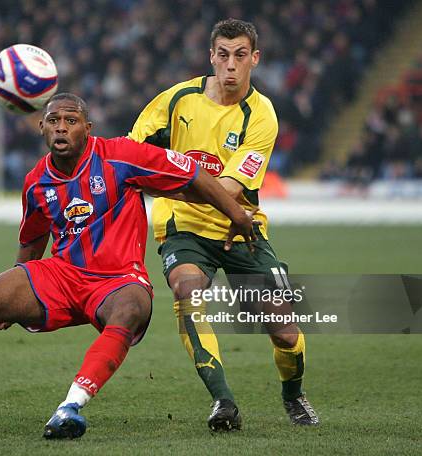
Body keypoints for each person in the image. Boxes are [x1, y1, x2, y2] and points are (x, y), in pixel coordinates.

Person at [0, 93, 257, 439]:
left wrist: (237, 214)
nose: (62, 128)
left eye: (71, 121)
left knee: (132, 307)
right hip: (63, 276)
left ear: (87, 129)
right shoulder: (36, 181)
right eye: (54, 121)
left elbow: (192, 173)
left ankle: (70, 407)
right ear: (42, 127)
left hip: (119, 279)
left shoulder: (122, 155)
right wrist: (13, 293)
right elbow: (32, 240)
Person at [129, 18, 319, 430]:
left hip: (242, 228)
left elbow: (231, 188)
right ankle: (224, 402)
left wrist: (168, 187)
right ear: (211, 57)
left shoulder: (262, 115)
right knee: (188, 290)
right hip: (183, 229)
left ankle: (293, 395)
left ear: (255, 59)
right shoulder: (177, 100)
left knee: (285, 331)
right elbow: (131, 154)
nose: (230, 65)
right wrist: (152, 185)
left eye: (239, 56)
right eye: (222, 55)